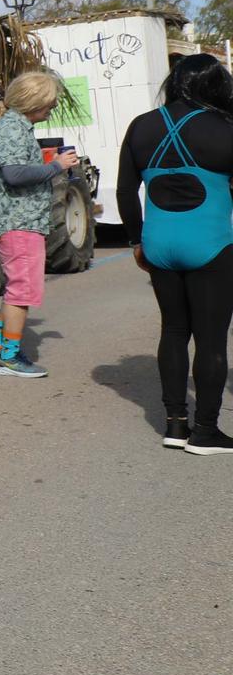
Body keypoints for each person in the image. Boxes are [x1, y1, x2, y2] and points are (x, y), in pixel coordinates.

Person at [116, 54, 233, 454]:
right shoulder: (225, 127)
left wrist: (136, 241)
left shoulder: (141, 126)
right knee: (212, 340)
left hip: (159, 244)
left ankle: (175, 425)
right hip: (212, 242)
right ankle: (205, 431)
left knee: (174, 330)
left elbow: (124, 193)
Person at [0, 71, 77, 379]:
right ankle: (8, 356)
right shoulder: (12, 129)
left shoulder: (13, 125)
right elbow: (14, 174)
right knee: (23, 290)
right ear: (32, 101)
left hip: (18, 220)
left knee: (19, 287)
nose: (51, 108)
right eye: (48, 102)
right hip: (18, 221)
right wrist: (55, 166)